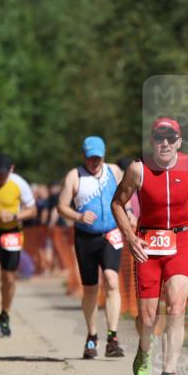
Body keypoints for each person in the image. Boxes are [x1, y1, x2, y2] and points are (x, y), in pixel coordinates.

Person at [111, 117, 188, 375]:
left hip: (181, 240)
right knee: (147, 318)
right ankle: (145, 348)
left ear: (179, 141)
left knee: (176, 308)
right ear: (152, 141)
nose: (165, 143)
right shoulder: (137, 169)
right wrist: (131, 239)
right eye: (159, 138)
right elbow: (117, 203)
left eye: (170, 138)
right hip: (148, 243)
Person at [56, 136, 126, 359]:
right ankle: (92, 336)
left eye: (98, 158)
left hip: (111, 234)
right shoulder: (74, 176)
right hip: (86, 238)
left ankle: (113, 338)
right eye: (90, 158)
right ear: (83, 156)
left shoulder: (114, 171)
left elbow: (126, 198)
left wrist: (130, 215)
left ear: (104, 156)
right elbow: (61, 207)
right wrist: (78, 215)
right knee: (90, 289)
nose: (94, 163)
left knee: (111, 279)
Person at [0, 153, 37, 338]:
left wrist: (14, 216)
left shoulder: (19, 184)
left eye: (3, 173)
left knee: (9, 277)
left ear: (12, 169)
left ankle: (5, 314)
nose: (0, 177)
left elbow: (33, 210)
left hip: (12, 232)